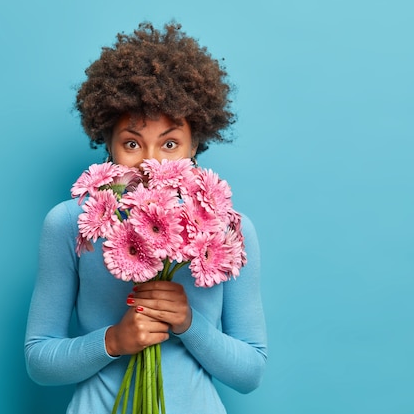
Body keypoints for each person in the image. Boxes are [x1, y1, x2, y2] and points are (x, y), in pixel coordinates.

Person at [24, 22, 267, 413]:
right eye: (133, 143)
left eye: (170, 144)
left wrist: (188, 323)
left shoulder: (230, 230)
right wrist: (113, 342)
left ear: (195, 145)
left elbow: (250, 373)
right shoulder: (68, 223)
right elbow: (38, 361)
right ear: (108, 143)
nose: (151, 162)